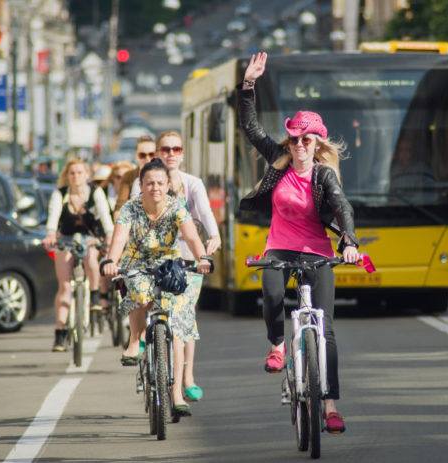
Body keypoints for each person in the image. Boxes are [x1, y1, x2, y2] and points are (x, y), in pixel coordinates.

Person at [237, 52, 360, 434]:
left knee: (326, 331)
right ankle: (277, 346)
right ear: (289, 142)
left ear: (316, 143)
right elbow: (251, 127)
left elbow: (341, 206)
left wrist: (350, 242)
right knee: (272, 293)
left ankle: (330, 406)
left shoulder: (324, 176)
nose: (300, 145)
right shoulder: (278, 161)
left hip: (318, 252)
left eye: (306, 139)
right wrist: (248, 86)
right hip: (280, 247)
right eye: (294, 138)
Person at [101, 158, 211, 417]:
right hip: (136, 262)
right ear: (141, 184)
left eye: (160, 182)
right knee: (139, 291)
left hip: (168, 265)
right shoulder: (130, 208)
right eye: (149, 183)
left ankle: (176, 393)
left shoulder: (177, 207)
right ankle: (135, 338)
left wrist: (203, 258)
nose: (155, 188)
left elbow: (193, 237)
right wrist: (111, 261)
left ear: (168, 184)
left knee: (178, 323)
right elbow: (118, 240)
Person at [156, 130, 221, 404]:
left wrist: (214, 235)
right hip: (156, 257)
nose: (171, 153)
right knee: (157, 314)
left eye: (176, 149)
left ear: (182, 153)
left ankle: (187, 378)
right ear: (158, 153)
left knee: (184, 317)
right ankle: (147, 348)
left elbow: (205, 212)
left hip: (188, 256)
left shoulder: (193, 183)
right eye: (166, 149)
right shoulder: (148, 181)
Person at [43, 158, 114, 351]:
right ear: (67, 176)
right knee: (65, 286)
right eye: (72, 173)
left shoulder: (95, 192)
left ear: (87, 174)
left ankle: (95, 295)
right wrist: (50, 234)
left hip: (90, 238)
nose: (76, 177)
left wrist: (109, 235)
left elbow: (106, 216)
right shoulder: (60, 194)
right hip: (65, 239)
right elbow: (53, 216)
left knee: (91, 258)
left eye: (80, 173)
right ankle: (60, 333)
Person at [114, 136, 157, 216]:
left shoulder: (164, 175)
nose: (148, 159)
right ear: (136, 157)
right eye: (142, 155)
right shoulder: (129, 176)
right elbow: (119, 209)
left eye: (151, 154)